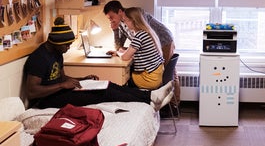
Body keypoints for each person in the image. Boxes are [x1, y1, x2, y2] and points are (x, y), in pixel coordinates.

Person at [23, 17, 169, 111]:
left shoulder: (56, 53)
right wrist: (62, 86)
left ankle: (149, 96)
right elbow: (32, 92)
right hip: (46, 100)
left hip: (59, 91)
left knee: (107, 84)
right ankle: (149, 99)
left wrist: (82, 79)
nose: (67, 49)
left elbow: (62, 78)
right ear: (56, 43)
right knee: (103, 93)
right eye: (66, 45)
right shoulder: (39, 58)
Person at [110, 7, 164, 90]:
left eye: (125, 20)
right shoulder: (147, 32)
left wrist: (118, 53)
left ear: (132, 21)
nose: (124, 24)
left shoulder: (139, 36)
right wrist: (124, 52)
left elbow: (125, 57)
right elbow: (141, 52)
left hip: (148, 79)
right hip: (156, 76)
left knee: (119, 80)